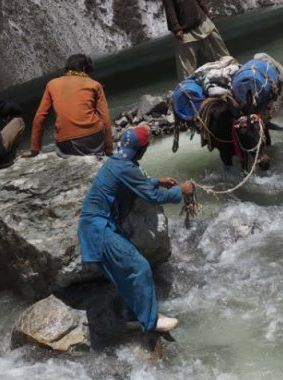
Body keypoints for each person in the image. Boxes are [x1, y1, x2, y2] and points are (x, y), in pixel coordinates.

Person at [78, 126, 195, 333]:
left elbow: (128, 182)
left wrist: (155, 181)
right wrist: (181, 190)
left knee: (125, 274)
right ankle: (150, 322)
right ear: (141, 150)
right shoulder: (126, 167)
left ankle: (134, 317)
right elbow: (154, 196)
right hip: (100, 229)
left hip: (95, 227)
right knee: (139, 267)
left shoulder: (116, 162)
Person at [158, 0, 230, 80]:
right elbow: (169, 6)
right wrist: (176, 28)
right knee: (187, 66)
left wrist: (205, 11)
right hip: (184, 28)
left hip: (199, 18)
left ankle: (231, 71)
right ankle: (188, 89)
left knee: (220, 49)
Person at [28, 54, 114, 157]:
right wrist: (109, 148)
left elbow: (39, 117)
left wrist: (34, 149)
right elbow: (105, 118)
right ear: (84, 68)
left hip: (66, 142)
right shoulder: (94, 84)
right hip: (92, 138)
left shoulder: (51, 84)